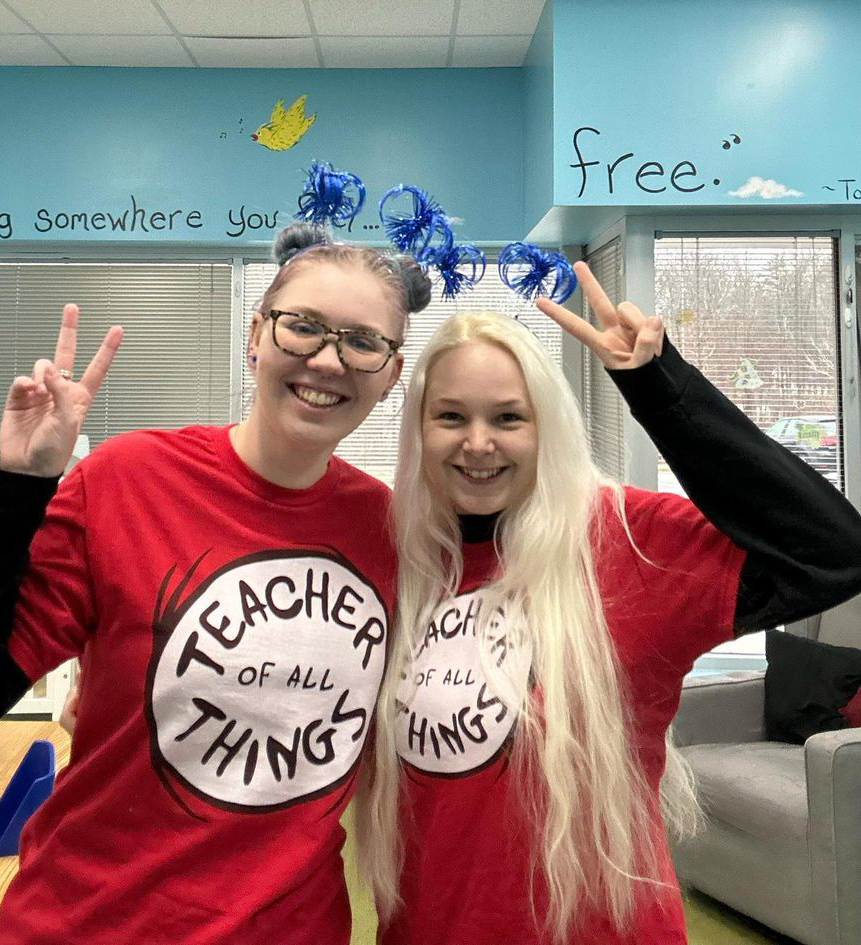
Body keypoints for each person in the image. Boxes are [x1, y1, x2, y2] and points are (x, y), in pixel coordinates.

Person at [0, 223, 431, 945]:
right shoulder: (128, 479)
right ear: (255, 335)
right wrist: (16, 486)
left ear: (392, 372)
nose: (327, 359)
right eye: (302, 326)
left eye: (363, 341)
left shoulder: (397, 531)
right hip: (92, 923)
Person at [356, 263, 861, 945]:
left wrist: (659, 387)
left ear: (548, 426)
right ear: (419, 431)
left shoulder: (626, 541)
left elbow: (833, 551)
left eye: (508, 417)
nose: (478, 443)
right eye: (451, 416)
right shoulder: (397, 561)